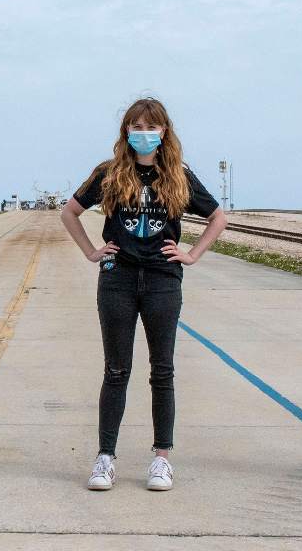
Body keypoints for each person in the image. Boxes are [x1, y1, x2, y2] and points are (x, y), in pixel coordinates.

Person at [60, 98, 228, 492]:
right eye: (135, 127)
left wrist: (191, 254)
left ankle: (161, 459)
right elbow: (69, 212)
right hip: (117, 279)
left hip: (162, 280)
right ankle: (105, 458)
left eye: (150, 128)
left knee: (162, 370)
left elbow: (218, 217)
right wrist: (91, 251)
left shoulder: (179, 175)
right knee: (116, 370)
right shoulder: (109, 173)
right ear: (126, 133)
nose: (143, 134)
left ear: (164, 132)